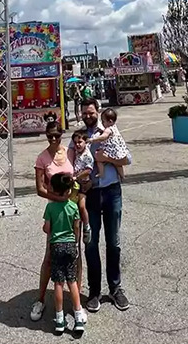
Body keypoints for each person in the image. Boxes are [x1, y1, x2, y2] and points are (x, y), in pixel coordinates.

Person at [77, 98, 130, 313]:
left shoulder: (110, 129)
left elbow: (127, 159)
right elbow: (72, 163)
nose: (88, 116)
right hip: (90, 195)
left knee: (113, 242)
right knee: (90, 243)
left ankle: (115, 288)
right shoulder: (78, 137)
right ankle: (94, 291)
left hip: (111, 191)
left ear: (97, 111)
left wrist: (107, 158)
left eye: (91, 112)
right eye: (84, 113)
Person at [31, 121, 76, 322]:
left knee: (75, 255)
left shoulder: (70, 152)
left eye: (57, 135)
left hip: (72, 210)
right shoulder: (42, 158)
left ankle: (75, 303)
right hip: (56, 211)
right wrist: (60, 200)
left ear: (62, 135)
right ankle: (40, 299)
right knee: (50, 255)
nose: (53, 139)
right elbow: (40, 188)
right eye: (50, 136)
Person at [43, 173, 87, 334]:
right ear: (69, 191)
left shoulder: (50, 207)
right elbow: (76, 227)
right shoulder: (73, 207)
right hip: (70, 245)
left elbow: (47, 228)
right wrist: (75, 242)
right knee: (72, 281)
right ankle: (78, 316)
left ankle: (60, 319)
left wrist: (48, 228)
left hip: (56, 246)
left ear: (54, 189)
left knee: (58, 283)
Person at [69, 129, 94, 244]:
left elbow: (88, 170)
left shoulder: (87, 155)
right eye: (75, 142)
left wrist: (77, 177)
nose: (77, 144)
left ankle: (87, 227)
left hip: (83, 184)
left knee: (82, 206)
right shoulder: (77, 153)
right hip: (76, 185)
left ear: (85, 142)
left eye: (80, 142)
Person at [93, 108, 129, 181]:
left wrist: (93, 140)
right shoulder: (114, 127)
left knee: (98, 158)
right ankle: (122, 176)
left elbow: (104, 136)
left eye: (103, 121)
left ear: (110, 121)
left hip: (110, 149)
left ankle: (101, 172)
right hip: (118, 150)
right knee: (118, 165)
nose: (102, 123)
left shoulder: (108, 129)